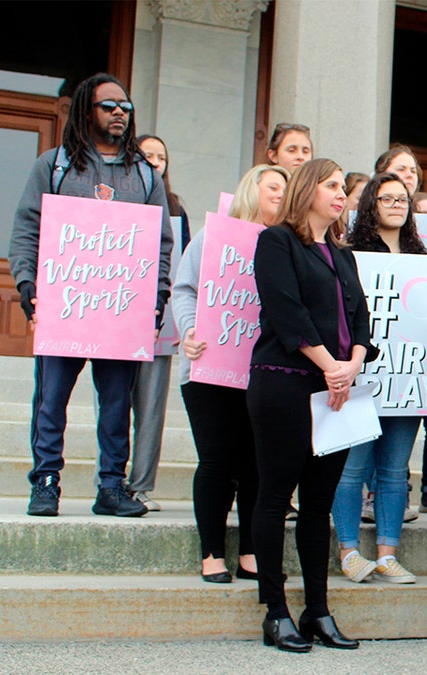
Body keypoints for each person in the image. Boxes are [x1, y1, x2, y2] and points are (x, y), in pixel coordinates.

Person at [10, 72, 172, 518]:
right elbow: (27, 228)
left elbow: (160, 243)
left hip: (121, 312)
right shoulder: (54, 165)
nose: (120, 112)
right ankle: (46, 481)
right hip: (65, 308)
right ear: (87, 111)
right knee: (51, 399)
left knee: (117, 405)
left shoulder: (144, 175)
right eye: (109, 105)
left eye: (127, 107)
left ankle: (110, 487)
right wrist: (28, 287)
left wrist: (155, 298)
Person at [248, 158, 376, 652]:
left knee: (319, 504)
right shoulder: (277, 241)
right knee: (276, 496)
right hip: (285, 384)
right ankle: (275, 612)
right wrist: (330, 365)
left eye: (344, 187)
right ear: (307, 189)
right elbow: (286, 311)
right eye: (331, 185)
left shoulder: (343, 255)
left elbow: (361, 318)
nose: (341, 194)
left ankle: (317, 610)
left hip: (338, 389)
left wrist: (353, 365)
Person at [174, 164, 288, 584]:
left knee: (256, 463)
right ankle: (211, 552)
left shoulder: (284, 244)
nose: (280, 193)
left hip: (261, 372)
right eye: (272, 185)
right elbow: (185, 289)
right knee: (217, 461)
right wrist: (189, 329)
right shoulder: (214, 237)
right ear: (250, 189)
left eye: (285, 188)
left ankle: (251, 552)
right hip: (209, 368)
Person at [332, 172, 427, 585]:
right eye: (387, 198)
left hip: (406, 375)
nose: (397, 204)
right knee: (352, 466)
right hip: (361, 375)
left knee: (395, 470)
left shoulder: (424, 258)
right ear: (370, 205)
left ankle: (388, 554)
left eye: (402, 199)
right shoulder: (350, 253)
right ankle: (348, 551)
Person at [375, 145, 427, 518]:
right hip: (371, 364)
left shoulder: (421, 250)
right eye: (399, 170)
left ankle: (412, 499)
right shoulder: (356, 246)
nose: (408, 176)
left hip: (413, 363)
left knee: (415, 440)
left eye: (412, 171)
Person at [123, 134, 190, 511]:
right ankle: (112, 477)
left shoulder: (177, 207)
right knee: (114, 403)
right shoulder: (117, 199)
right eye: (147, 155)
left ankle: (141, 484)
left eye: (161, 157)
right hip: (116, 317)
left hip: (159, 321)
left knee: (151, 408)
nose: (154, 162)